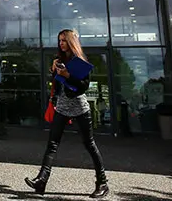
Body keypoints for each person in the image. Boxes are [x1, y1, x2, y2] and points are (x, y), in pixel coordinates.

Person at [24, 29, 109, 198]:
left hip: (79, 106)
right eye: (59, 40)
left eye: (64, 40)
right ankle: (41, 181)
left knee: (89, 144)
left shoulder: (81, 62)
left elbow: (83, 86)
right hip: (62, 106)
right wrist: (54, 71)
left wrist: (68, 74)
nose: (61, 43)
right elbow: (57, 84)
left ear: (71, 42)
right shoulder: (59, 60)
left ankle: (103, 183)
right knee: (52, 144)